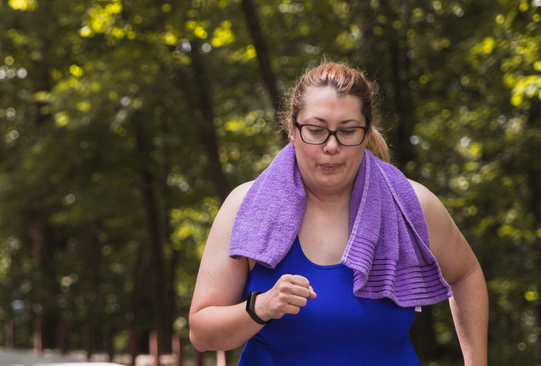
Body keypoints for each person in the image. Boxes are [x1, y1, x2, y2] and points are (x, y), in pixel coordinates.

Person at [188, 62, 488, 365]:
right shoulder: (245, 207)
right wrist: (259, 307)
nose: (331, 146)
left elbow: (466, 274)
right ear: (292, 131)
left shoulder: (410, 206)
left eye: (348, 131)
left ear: (367, 132)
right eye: (316, 130)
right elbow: (202, 333)